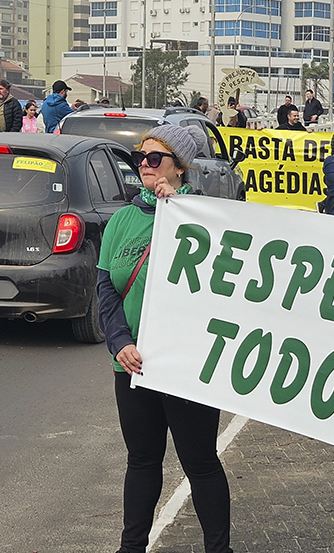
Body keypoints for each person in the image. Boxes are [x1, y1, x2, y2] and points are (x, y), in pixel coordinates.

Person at [96, 124, 234, 553]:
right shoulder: (121, 220)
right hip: (133, 362)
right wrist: (120, 342)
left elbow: (219, 289)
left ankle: (219, 549)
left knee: (200, 463)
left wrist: (180, 214)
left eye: (155, 158)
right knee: (141, 460)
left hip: (185, 364)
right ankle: (131, 547)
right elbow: (106, 289)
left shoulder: (202, 217)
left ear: (180, 167)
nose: (144, 165)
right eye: (141, 156)